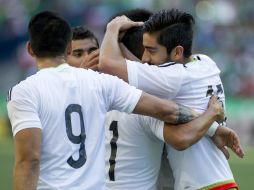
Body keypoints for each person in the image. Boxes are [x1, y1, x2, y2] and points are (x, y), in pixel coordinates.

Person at [6, 11, 199, 190]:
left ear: (30, 49)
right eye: (79, 53)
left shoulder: (24, 92)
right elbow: (169, 110)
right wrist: (212, 121)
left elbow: (29, 160)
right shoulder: (102, 84)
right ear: (68, 47)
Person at [99, 9, 244, 190]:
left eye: (151, 51)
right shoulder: (206, 62)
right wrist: (212, 126)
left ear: (177, 52)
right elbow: (142, 68)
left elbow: (107, 64)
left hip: (202, 185)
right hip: (220, 179)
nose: (145, 59)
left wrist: (112, 29)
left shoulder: (171, 78)